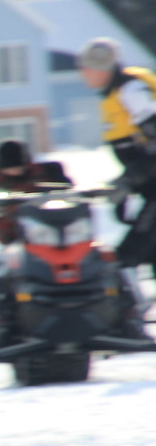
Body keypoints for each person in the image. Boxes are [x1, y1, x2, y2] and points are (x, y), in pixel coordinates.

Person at [77, 37, 156, 275]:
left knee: (128, 255)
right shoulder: (115, 94)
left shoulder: (132, 92)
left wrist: (128, 180)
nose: (83, 75)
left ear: (100, 69)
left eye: (85, 69)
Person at [0, 140, 65, 245]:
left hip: (55, 227)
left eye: (18, 166)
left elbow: (64, 192)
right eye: (11, 167)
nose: (16, 170)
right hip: (19, 238)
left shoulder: (41, 173)